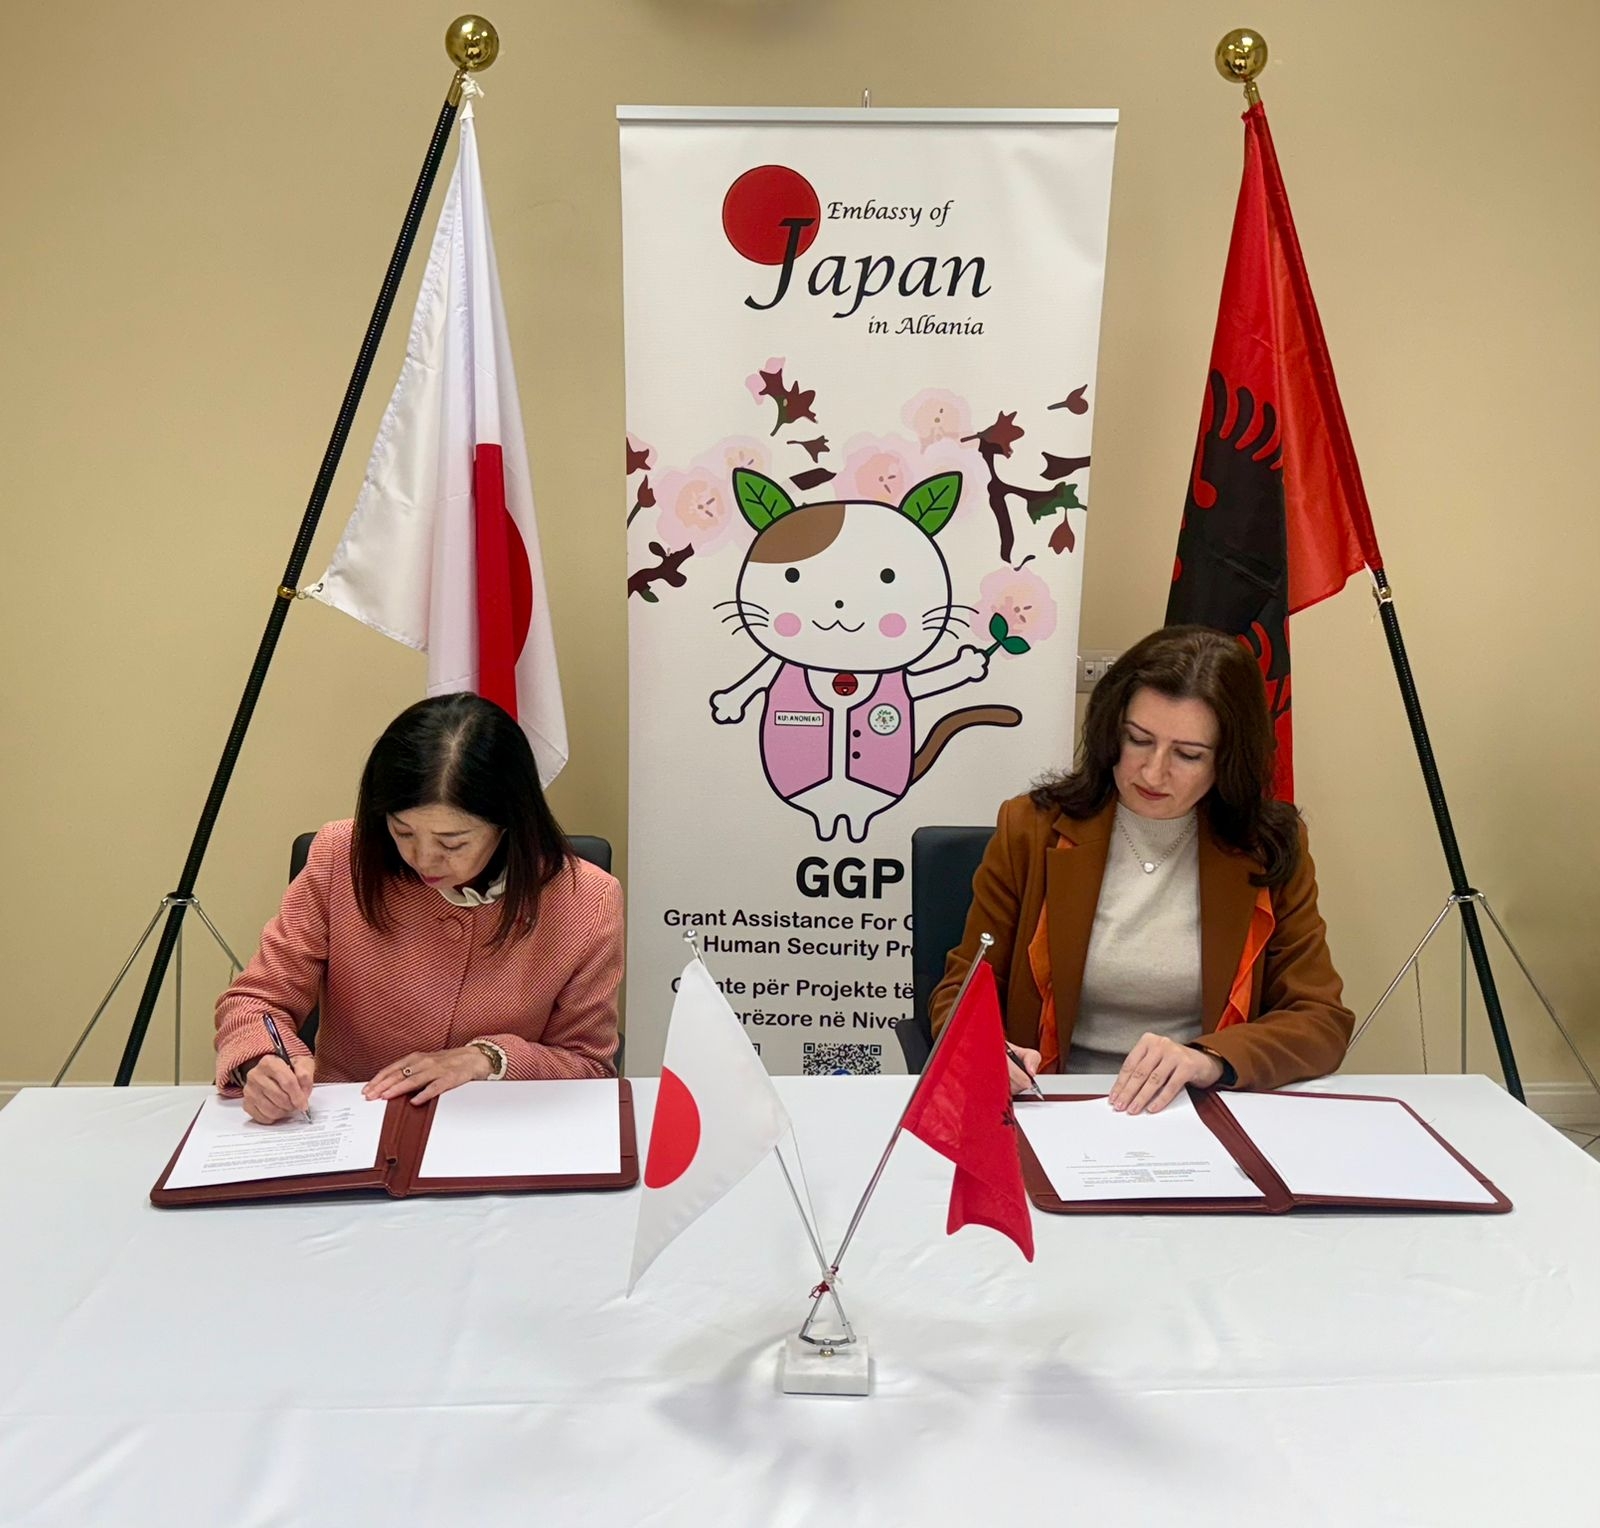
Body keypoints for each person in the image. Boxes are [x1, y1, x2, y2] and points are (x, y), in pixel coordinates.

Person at [929, 625, 1352, 1116]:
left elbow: (1320, 1019)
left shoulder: (1266, 845)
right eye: (1138, 740)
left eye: (1188, 755)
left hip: (1194, 1110)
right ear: (1112, 730)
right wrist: (988, 1051)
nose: (1153, 772)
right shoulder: (1031, 828)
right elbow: (960, 993)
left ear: (1227, 760)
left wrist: (1210, 1059)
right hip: (1052, 1107)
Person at [214, 694, 622, 1124]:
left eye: (452, 843)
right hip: (350, 1121)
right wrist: (262, 1060)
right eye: (403, 831)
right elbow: (256, 1000)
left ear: (510, 825)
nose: (423, 859)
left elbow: (587, 1065)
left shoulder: (585, 900)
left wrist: (488, 1059)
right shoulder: (341, 856)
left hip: (495, 1127)